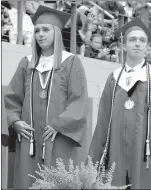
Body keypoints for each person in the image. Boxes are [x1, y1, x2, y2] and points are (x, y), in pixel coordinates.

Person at [88, 17, 151, 189]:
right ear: (124, 45)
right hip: (116, 152)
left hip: (145, 153)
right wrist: (94, 157)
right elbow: (103, 121)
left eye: (142, 40)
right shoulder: (113, 79)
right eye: (132, 39)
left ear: (147, 46)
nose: (137, 44)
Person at [4, 5, 88, 189]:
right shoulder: (26, 63)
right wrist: (15, 121)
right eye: (37, 31)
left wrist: (59, 124)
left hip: (58, 138)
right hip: (29, 140)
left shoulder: (71, 62)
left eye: (46, 30)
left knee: (57, 181)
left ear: (57, 33)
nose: (40, 34)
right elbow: (12, 98)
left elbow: (78, 101)